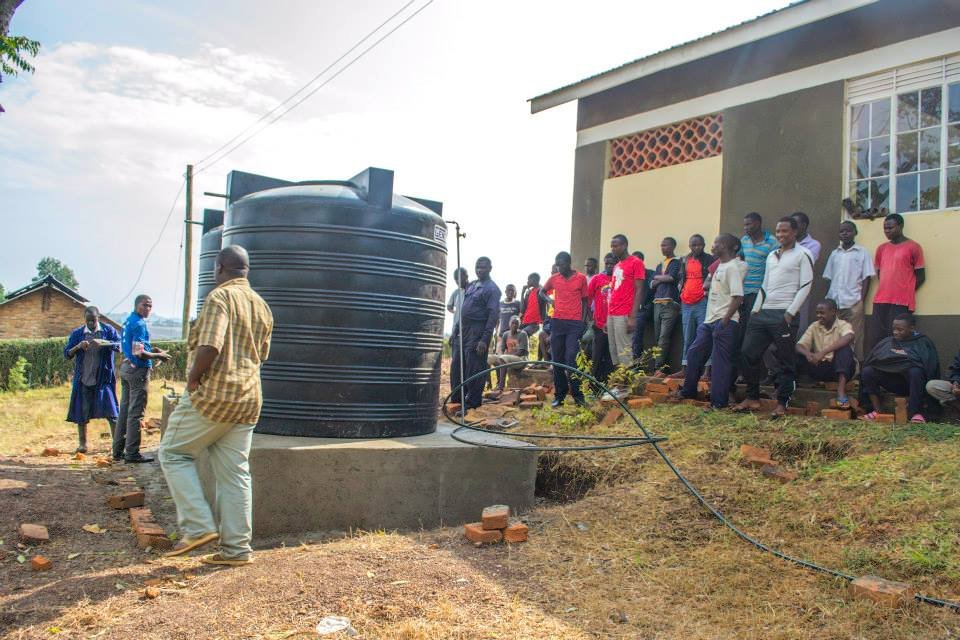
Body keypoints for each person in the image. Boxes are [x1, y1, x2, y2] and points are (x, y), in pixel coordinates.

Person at [160, 245, 274, 565]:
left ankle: (197, 527)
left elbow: (211, 344)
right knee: (235, 474)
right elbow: (261, 355)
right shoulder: (262, 306)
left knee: (172, 452)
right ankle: (237, 550)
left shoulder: (220, 298)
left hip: (215, 397)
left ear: (220, 267)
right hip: (248, 399)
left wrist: (194, 378)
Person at [733, 217, 814, 418]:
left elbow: (806, 284)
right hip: (763, 312)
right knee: (748, 353)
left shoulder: (803, 254)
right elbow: (765, 285)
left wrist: (790, 313)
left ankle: (782, 403)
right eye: (778, 231)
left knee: (785, 360)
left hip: (784, 313)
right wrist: (756, 310)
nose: (780, 235)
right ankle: (752, 398)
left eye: (785, 231)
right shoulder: (771, 256)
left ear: (794, 232)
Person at [678, 234, 746, 409]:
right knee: (694, 353)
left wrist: (724, 321)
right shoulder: (719, 266)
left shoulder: (732, 268)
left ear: (724, 246)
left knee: (719, 364)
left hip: (725, 322)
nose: (713, 246)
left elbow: (738, 297)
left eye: (716, 243)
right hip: (710, 321)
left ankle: (718, 403)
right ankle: (689, 390)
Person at [116, 295, 170, 463]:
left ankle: (117, 452)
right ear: (137, 305)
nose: (148, 309)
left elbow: (134, 346)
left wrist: (152, 349)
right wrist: (158, 356)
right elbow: (139, 353)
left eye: (150, 306)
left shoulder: (128, 321)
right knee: (135, 414)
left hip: (126, 368)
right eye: (145, 305)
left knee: (124, 411)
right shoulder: (139, 324)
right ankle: (132, 453)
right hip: (138, 370)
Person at [859, 313, 938, 423]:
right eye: (894, 329)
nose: (896, 332)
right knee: (868, 371)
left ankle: (915, 413)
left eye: (900, 330)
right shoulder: (889, 341)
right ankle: (877, 410)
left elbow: (930, 369)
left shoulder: (923, 342)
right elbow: (873, 359)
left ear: (911, 328)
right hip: (894, 382)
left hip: (915, 385)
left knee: (915, 371)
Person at [64, 306, 121, 453]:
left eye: (93, 320)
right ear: (85, 320)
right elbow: (67, 354)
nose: (91, 324)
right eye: (88, 321)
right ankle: (83, 444)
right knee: (82, 413)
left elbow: (120, 346)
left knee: (112, 412)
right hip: (84, 378)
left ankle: (117, 445)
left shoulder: (108, 331)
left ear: (99, 318)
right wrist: (78, 346)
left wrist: (104, 343)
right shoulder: (78, 334)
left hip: (103, 379)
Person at [870, 213, 925, 351]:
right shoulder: (881, 249)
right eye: (885, 228)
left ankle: (895, 367)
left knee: (897, 337)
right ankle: (878, 365)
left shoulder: (914, 247)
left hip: (901, 301)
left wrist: (906, 291)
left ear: (900, 226)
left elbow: (921, 276)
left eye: (890, 228)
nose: (887, 231)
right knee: (878, 336)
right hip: (881, 300)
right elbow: (879, 273)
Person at [822, 221, 874, 360]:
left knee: (855, 337)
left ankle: (856, 370)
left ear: (855, 232)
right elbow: (828, 278)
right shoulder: (835, 254)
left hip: (853, 302)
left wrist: (861, 301)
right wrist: (828, 301)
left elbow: (866, 278)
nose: (844, 233)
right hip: (835, 304)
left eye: (848, 231)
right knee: (833, 336)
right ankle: (836, 370)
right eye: (841, 231)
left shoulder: (862, 252)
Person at [542, 251, 589, 407]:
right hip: (558, 323)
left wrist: (582, 323)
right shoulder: (554, 278)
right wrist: (549, 299)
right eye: (557, 265)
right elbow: (541, 292)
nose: (559, 268)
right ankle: (559, 396)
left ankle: (578, 396)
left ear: (569, 263)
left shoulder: (581, 278)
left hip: (574, 324)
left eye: (561, 265)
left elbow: (585, 302)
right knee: (557, 361)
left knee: (571, 361)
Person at [456, 257, 501, 413]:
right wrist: (457, 330)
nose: (479, 270)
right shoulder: (473, 285)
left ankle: (473, 402)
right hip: (465, 330)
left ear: (490, 268)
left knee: (475, 367)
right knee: (461, 365)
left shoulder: (492, 289)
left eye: (483, 267)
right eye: (477, 267)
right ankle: (460, 399)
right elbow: (464, 309)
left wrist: (484, 339)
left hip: (478, 331)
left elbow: (493, 316)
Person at [795, 299, 856, 408]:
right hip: (821, 367)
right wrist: (808, 354)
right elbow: (799, 345)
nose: (819, 315)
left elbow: (849, 337)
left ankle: (841, 391)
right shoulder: (814, 326)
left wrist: (823, 352)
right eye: (817, 313)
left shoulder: (843, 324)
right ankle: (788, 387)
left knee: (844, 349)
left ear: (833, 312)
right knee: (796, 352)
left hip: (840, 369)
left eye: (822, 313)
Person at [672, 234, 714, 380]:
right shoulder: (685, 259)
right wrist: (681, 292)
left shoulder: (710, 259)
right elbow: (681, 278)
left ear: (704, 244)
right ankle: (685, 368)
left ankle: (707, 372)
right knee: (687, 336)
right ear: (689, 245)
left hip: (703, 302)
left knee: (705, 336)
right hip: (686, 303)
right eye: (693, 245)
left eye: (699, 245)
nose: (696, 247)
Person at [607, 234, 646, 368]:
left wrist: (632, 317)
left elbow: (639, 290)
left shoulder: (636, 262)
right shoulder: (617, 265)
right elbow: (613, 290)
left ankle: (627, 387)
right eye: (611, 246)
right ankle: (619, 385)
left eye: (615, 246)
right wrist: (608, 316)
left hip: (624, 313)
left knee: (625, 352)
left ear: (625, 246)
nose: (613, 249)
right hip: (612, 313)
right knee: (614, 353)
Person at [648, 237, 681, 375]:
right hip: (657, 302)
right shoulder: (660, 264)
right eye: (661, 245)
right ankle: (660, 366)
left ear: (673, 246)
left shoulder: (676, 262)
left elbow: (671, 278)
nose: (663, 248)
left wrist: (658, 278)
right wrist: (660, 278)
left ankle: (658, 367)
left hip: (669, 303)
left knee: (664, 337)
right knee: (657, 337)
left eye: (665, 245)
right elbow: (651, 284)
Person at [488, 315, 529, 392]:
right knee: (489, 358)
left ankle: (501, 387)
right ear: (509, 324)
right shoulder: (506, 334)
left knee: (503, 358)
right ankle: (488, 383)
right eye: (512, 323)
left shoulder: (523, 334)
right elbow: (502, 350)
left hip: (521, 360)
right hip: (508, 359)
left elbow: (521, 352)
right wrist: (499, 357)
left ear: (519, 325)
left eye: (516, 323)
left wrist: (505, 357)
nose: (514, 325)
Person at [631, 250, 656, 362]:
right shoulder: (628, 274)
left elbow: (652, 291)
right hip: (628, 309)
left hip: (644, 309)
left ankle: (636, 362)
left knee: (636, 331)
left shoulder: (650, 274)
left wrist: (644, 307)